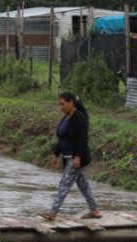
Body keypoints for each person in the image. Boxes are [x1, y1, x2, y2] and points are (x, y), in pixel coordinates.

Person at [40, 92, 102, 221]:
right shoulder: (67, 117)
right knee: (84, 186)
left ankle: (52, 212)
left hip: (75, 158)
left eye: (62, 104)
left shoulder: (80, 118)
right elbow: (62, 138)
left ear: (71, 103)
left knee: (64, 184)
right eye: (59, 104)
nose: (60, 107)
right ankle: (95, 210)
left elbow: (83, 139)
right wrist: (55, 154)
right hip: (67, 157)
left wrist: (78, 157)